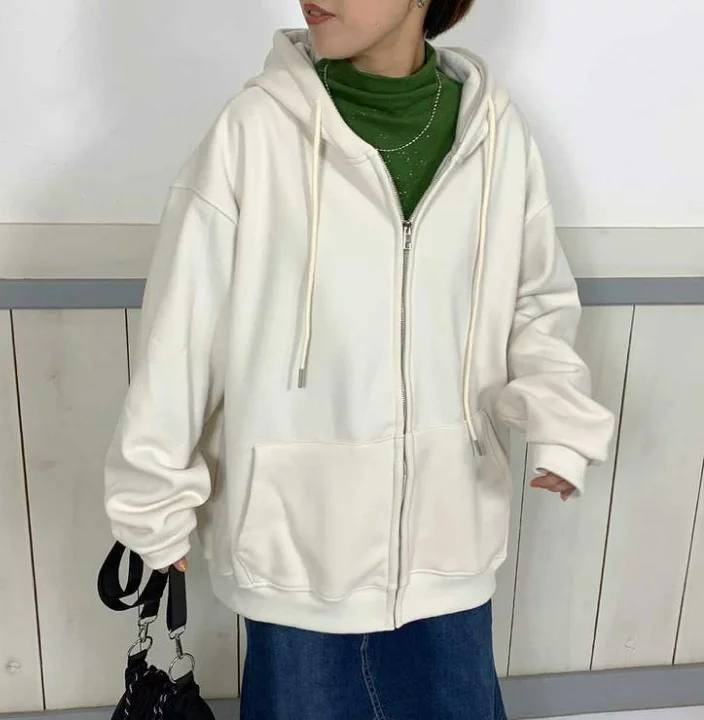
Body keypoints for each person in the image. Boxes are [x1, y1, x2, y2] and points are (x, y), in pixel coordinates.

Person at [103, 1, 617, 717]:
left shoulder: (496, 134)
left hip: (450, 540)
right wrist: (152, 499)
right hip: (297, 550)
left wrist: (558, 420)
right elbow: (181, 329)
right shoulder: (254, 131)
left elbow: (536, 301)